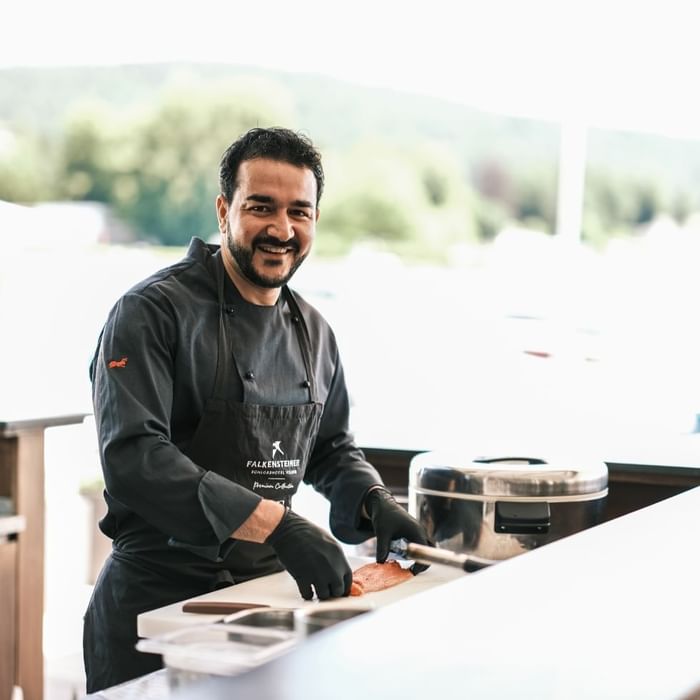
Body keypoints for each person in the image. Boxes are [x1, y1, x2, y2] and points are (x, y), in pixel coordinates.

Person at [83, 127, 431, 692]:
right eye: (261, 208)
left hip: (265, 601)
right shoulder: (150, 313)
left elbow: (331, 448)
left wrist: (374, 500)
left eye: (300, 211)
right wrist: (281, 523)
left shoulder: (315, 331)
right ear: (224, 210)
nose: (282, 229)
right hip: (155, 608)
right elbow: (135, 458)